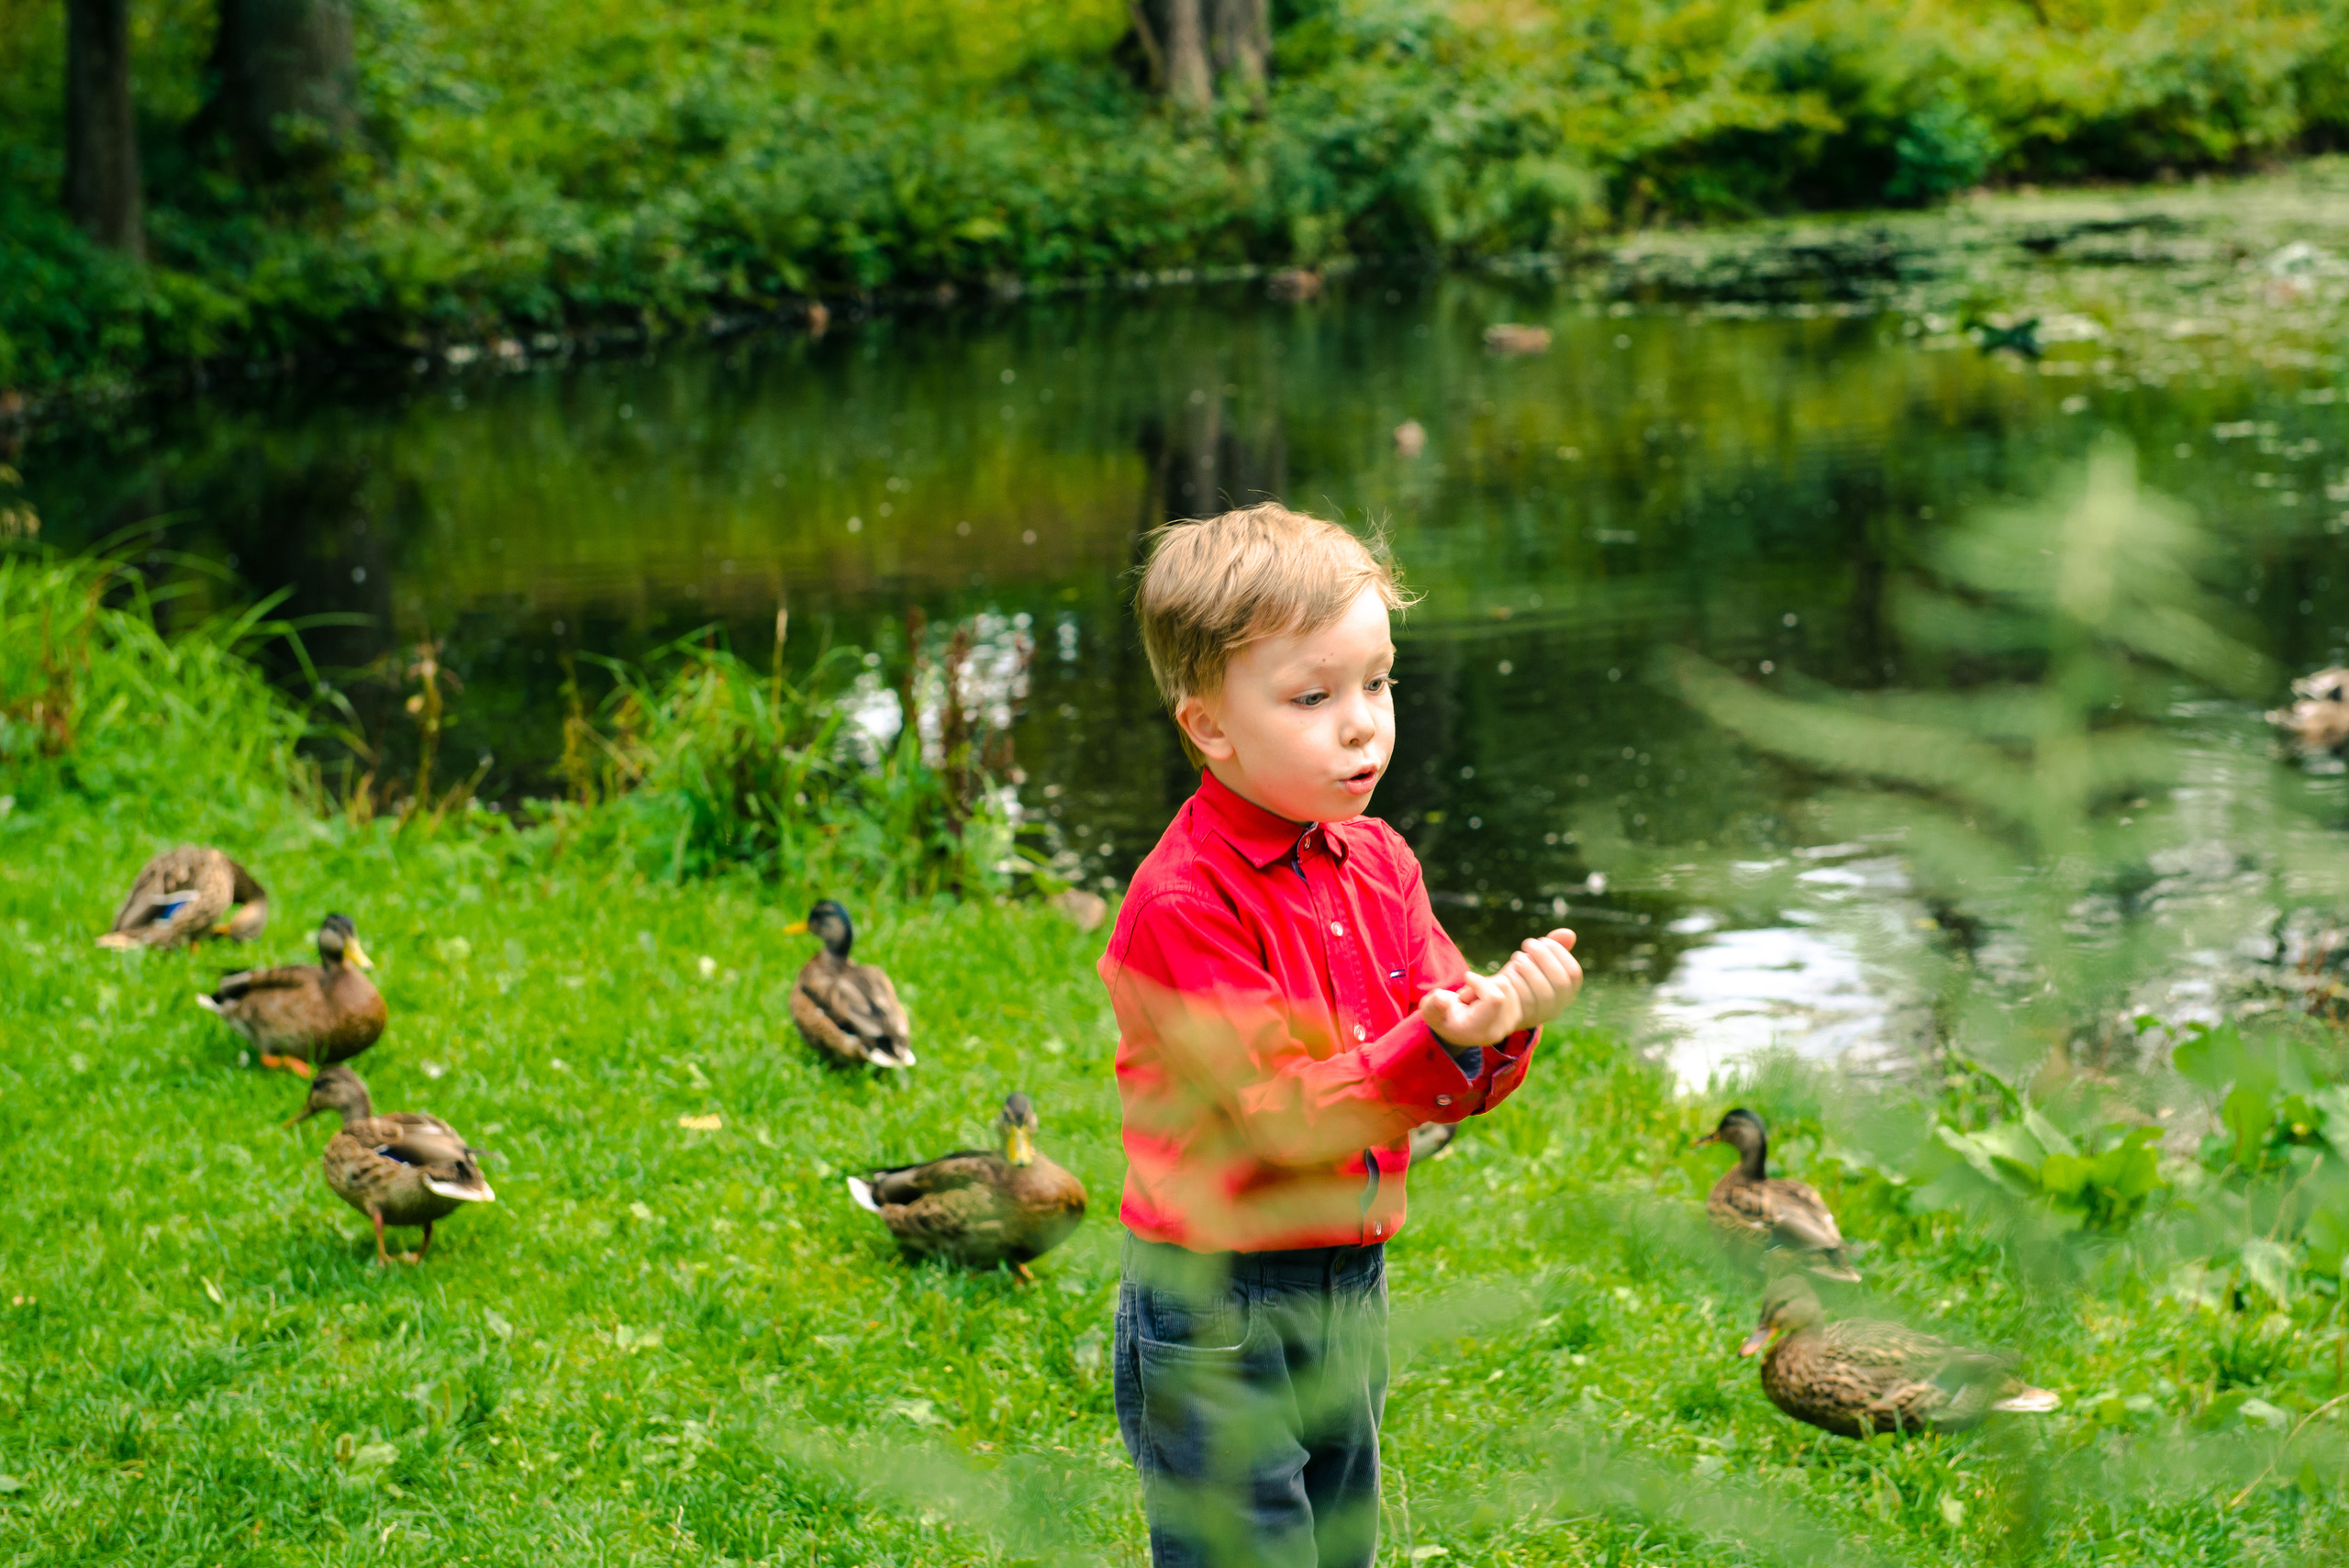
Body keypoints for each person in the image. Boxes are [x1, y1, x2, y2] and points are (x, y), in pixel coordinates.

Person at [1101, 503, 1583, 1568]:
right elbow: (1278, 1115)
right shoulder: (1182, 905)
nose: (1361, 721)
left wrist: (1497, 1022)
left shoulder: (1382, 863)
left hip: (1346, 1281)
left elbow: (1440, 1059)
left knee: (1337, 1542)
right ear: (1210, 727)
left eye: (1378, 681)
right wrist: (1438, 1040)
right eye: (1312, 696)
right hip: (1218, 1298)